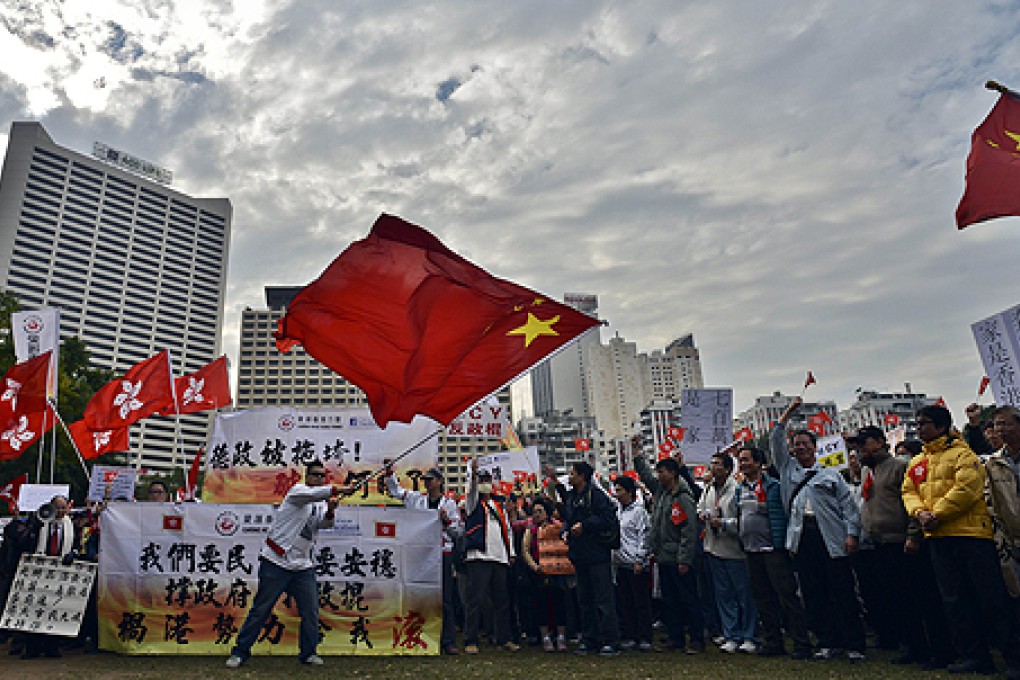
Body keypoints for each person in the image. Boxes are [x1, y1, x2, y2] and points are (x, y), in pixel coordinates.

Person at [901, 404, 1020, 677]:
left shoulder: (964, 455)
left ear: (942, 426)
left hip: (971, 536)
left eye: (925, 423)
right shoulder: (917, 462)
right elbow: (909, 492)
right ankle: (974, 656)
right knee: (955, 601)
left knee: (991, 599)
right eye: (917, 424)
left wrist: (937, 513)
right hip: (938, 537)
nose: (919, 428)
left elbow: (967, 488)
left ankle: (1012, 657)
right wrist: (920, 514)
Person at [226, 461, 352, 668]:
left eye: (322, 476)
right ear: (307, 476)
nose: (319, 478)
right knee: (261, 609)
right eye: (315, 475)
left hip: (303, 565)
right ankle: (240, 652)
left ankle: (309, 653)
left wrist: (330, 510)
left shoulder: (319, 501)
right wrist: (339, 489)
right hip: (276, 561)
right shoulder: (297, 492)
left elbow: (322, 524)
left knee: (310, 612)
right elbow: (314, 494)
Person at [770, 396, 866, 662]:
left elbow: (849, 510)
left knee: (842, 592)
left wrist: (851, 535)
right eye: (796, 444)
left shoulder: (831, 475)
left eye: (805, 444)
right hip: (803, 538)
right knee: (813, 593)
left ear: (815, 447)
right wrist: (787, 413)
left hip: (832, 538)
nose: (800, 448)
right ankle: (826, 642)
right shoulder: (787, 470)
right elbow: (775, 439)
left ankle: (854, 644)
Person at [856, 425, 952, 668]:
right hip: (880, 543)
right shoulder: (869, 470)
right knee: (899, 600)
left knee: (922, 598)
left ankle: (940, 650)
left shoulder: (900, 467)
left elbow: (914, 502)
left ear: (879, 442)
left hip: (904, 542)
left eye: (864, 444)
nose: (859, 450)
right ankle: (915, 647)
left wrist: (913, 535)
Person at [732, 445, 811, 659]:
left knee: (787, 596)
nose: (743, 463)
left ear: (758, 463)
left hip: (773, 550)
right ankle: (773, 641)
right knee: (762, 598)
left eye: (747, 459)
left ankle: (801, 643)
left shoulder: (774, 486)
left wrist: (783, 543)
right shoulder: (741, 489)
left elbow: (784, 514)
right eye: (741, 460)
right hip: (751, 550)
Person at [384, 465, 463, 655]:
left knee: (445, 600)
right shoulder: (416, 500)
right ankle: (417, 635)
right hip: (420, 554)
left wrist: (446, 521)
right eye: (425, 480)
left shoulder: (449, 504)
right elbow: (395, 491)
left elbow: (458, 532)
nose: (427, 483)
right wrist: (389, 473)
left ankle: (447, 640)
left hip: (442, 554)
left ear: (440, 482)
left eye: (431, 480)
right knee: (418, 596)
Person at [634, 452, 703, 653]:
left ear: (673, 474)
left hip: (678, 558)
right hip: (664, 556)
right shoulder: (661, 493)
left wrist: (684, 559)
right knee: (670, 600)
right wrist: (638, 456)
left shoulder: (683, 497)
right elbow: (646, 477)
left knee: (688, 599)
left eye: (662, 473)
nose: (659, 476)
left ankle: (697, 639)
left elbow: (688, 530)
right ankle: (676, 637)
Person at [555, 461, 621, 656]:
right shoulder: (573, 498)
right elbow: (569, 519)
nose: (570, 477)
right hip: (580, 556)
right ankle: (590, 639)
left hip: (597, 556)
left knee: (603, 600)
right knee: (585, 601)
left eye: (573, 474)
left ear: (582, 476)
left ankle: (610, 640)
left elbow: (608, 518)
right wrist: (566, 531)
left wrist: (585, 525)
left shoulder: (596, 496)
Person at [698, 451, 757, 653]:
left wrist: (723, 523)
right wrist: (703, 515)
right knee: (724, 596)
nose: (713, 468)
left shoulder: (737, 489)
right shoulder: (708, 489)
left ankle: (749, 635)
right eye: (712, 464)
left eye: (718, 464)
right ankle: (731, 635)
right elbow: (700, 507)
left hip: (734, 550)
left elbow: (744, 520)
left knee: (743, 595)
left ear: (728, 469)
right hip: (714, 548)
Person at [462, 460, 519, 654]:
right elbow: (470, 490)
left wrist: (511, 552)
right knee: (475, 600)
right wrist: (472, 473)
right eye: (482, 480)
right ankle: (471, 639)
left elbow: (508, 530)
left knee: (501, 600)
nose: (485, 483)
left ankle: (504, 638)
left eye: (487, 479)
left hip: (499, 556)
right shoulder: (472, 503)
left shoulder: (498, 505)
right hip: (479, 555)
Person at [22, 495, 77, 659]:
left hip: (59, 573)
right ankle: (32, 648)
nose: (60, 511)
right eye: (57, 508)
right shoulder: (40, 524)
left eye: (63, 508)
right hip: (39, 572)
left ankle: (52, 647)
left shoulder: (70, 525)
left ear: (67, 508)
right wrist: (37, 525)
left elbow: (76, 545)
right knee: (35, 609)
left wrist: (71, 554)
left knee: (55, 608)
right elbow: (26, 543)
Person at [521, 497, 573, 652]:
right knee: (541, 604)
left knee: (559, 603)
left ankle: (561, 636)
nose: (537, 515)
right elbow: (525, 550)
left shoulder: (558, 526)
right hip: (539, 572)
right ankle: (545, 637)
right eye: (534, 512)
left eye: (540, 511)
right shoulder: (531, 530)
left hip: (557, 572)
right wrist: (534, 566)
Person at [612, 474, 653, 652]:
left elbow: (644, 536)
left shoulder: (639, 512)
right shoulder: (618, 511)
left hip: (636, 564)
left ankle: (644, 636)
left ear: (629, 492)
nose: (617, 493)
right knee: (625, 602)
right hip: (621, 564)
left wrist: (640, 559)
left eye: (620, 490)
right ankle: (630, 635)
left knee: (640, 602)